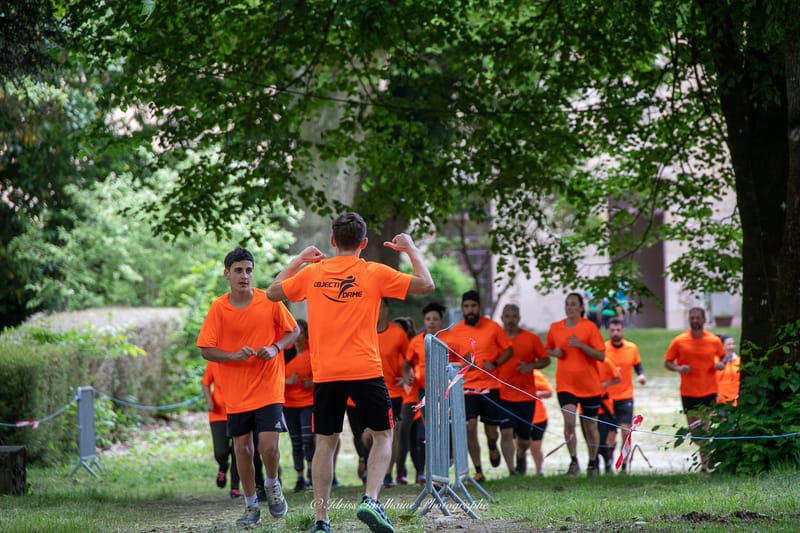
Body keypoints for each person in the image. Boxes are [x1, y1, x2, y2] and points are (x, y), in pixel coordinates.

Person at [267, 212, 434, 533]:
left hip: (326, 372)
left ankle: (321, 520)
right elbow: (427, 284)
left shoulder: (313, 273)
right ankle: (370, 499)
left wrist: (299, 260)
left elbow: (273, 293)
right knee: (385, 434)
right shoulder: (373, 272)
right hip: (365, 369)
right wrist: (410, 249)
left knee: (325, 442)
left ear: (332, 242)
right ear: (364, 243)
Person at [197, 247, 300, 527]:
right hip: (236, 391)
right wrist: (232, 356)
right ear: (227, 274)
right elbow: (206, 349)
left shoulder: (269, 299)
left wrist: (275, 347)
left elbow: (294, 331)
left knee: (268, 446)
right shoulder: (219, 307)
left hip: (268, 386)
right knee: (242, 450)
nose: (245, 276)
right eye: (239, 270)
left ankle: (272, 484)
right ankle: (251, 505)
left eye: (249, 270)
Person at [441, 290, 513, 482]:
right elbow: (449, 361)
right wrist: (460, 362)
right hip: (467, 386)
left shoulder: (493, 327)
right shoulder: (455, 332)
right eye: (466, 306)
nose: (470, 310)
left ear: (479, 307)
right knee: (470, 427)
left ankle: (492, 445)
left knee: (491, 431)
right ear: (462, 309)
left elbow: (509, 350)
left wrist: (496, 364)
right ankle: (478, 469)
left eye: (473, 306)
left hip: (490, 385)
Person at [545, 292, 606, 477]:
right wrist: (555, 353)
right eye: (567, 304)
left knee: (590, 426)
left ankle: (593, 462)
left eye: (573, 304)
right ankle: (573, 461)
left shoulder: (589, 328)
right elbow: (548, 348)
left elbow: (601, 355)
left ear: (581, 308)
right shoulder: (556, 328)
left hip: (589, 386)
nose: (569, 307)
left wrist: (581, 345)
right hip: (566, 385)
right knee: (569, 423)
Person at [664, 307, 725, 472]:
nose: (695, 320)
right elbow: (668, 362)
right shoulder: (679, 341)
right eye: (692, 318)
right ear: (689, 320)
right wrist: (678, 368)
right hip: (689, 392)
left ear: (704, 320)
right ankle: (706, 458)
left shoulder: (713, 340)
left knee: (705, 429)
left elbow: (723, 356)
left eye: (698, 318)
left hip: (709, 390)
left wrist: (720, 364)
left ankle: (705, 467)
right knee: (696, 432)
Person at [496, 304, 550, 476]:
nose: (510, 320)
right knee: (506, 433)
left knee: (525, 440)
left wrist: (531, 366)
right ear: (502, 318)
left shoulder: (531, 339)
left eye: (514, 316)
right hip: (503, 394)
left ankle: (520, 455)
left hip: (526, 395)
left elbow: (545, 360)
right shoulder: (495, 339)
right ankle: (512, 471)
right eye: (507, 316)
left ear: (519, 318)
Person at [399, 301, 446, 484]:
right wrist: (407, 377)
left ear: (441, 321)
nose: (432, 322)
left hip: (443, 394)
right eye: (428, 319)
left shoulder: (447, 340)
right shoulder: (416, 342)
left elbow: (460, 362)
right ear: (424, 321)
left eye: (435, 319)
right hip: (422, 394)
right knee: (423, 433)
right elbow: (406, 365)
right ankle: (424, 473)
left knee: (439, 432)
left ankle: (440, 470)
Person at [369, 299, 410, 488]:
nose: (376, 311)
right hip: (367, 388)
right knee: (366, 436)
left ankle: (387, 473)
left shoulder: (398, 334)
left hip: (392, 392)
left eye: (380, 306)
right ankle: (374, 468)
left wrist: (407, 375)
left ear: (386, 309)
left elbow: (411, 358)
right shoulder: (363, 330)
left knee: (389, 433)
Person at [604, 317, 647, 473]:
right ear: (608, 331)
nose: (615, 333)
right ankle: (608, 463)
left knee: (626, 432)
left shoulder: (631, 348)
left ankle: (623, 466)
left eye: (618, 330)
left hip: (625, 396)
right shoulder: (603, 349)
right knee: (609, 435)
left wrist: (641, 375)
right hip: (607, 397)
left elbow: (638, 365)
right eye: (612, 330)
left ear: (623, 330)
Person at [201, 361, 241, 498]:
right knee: (221, 451)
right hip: (218, 414)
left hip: (238, 411)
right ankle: (223, 467)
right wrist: (209, 401)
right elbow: (205, 383)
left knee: (238, 451)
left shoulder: (240, 360)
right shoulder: (213, 363)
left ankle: (235, 487)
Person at [283, 319, 314, 493]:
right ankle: (299, 478)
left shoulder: (312, 354)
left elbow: (321, 374)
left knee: (307, 438)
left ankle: (311, 474)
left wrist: (313, 382)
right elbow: (270, 377)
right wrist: (286, 381)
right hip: (289, 404)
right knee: (295, 441)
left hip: (308, 402)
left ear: (305, 335)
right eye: (293, 332)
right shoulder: (283, 354)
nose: (297, 336)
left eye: (300, 332)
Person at [529, 369, 553, 476]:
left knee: (535, 447)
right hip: (519, 417)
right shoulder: (512, 374)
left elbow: (549, 392)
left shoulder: (537, 375)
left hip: (538, 418)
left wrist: (534, 392)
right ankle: (519, 470)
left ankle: (539, 471)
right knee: (519, 446)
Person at [716, 335, 740, 406]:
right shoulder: (714, 363)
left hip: (737, 401)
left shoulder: (739, 361)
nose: (732, 347)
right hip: (719, 402)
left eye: (733, 344)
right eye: (729, 344)